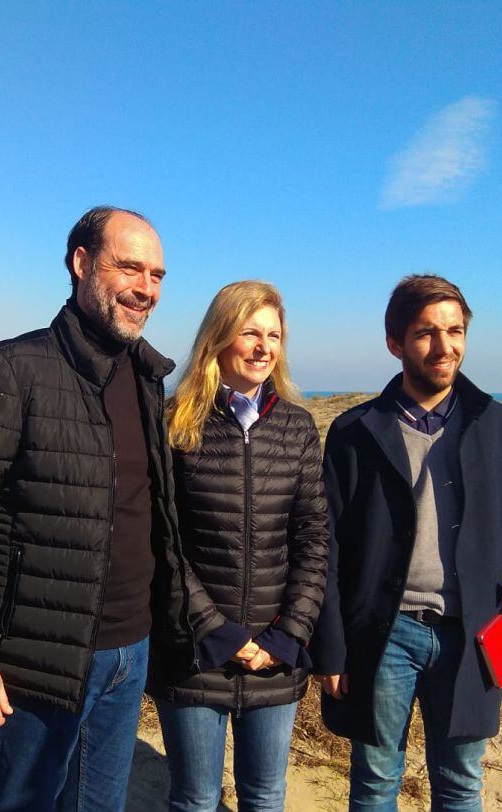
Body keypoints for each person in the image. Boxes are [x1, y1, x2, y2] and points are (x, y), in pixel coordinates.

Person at [0, 206, 195, 812]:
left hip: (129, 651)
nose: (146, 288)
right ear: (81, 263)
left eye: (158, 275)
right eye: (129, 268)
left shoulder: (145, 379)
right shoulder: (8, 370)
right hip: (35, 662)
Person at [309, 274, 502, 811]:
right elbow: (327, 550)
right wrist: (329, 645)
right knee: (375, 781)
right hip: (382, 633)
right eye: (426, 333)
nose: (444, 347)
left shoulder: (496, 425)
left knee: (461, 780)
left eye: (455, 330)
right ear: (395, 343)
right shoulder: (355, 433)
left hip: (472, 633)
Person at [147, 280, 329, 812]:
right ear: (219, 338)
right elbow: (164, 541)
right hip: (195, 651)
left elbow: (314, 538)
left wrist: (287, 634)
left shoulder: (297, 427)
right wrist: (218, 632)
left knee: (266, 796)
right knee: (196, 799)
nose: (263, 347)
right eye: (250, 332)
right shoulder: (175, 421)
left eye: (273, 335)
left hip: (277, 651)